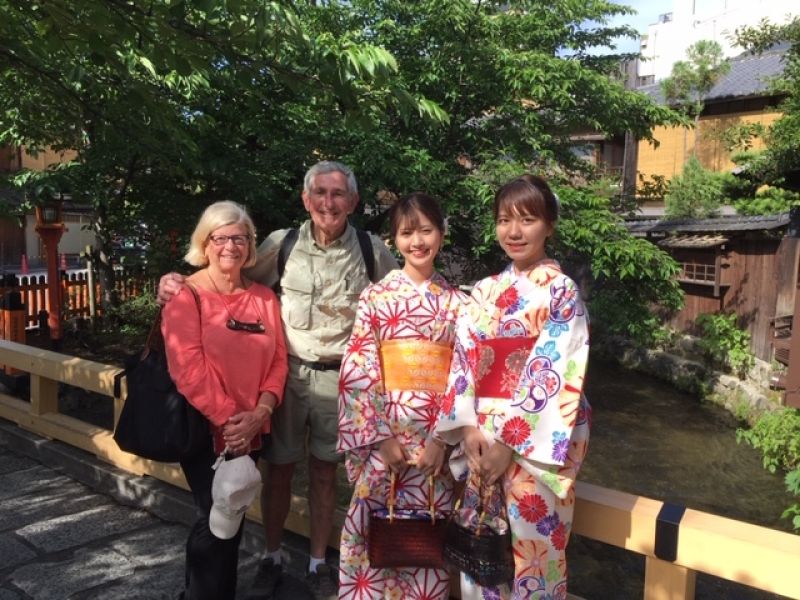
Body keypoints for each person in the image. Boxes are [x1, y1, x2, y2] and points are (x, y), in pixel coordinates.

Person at [159, 161, 397, 599]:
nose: (329, 202)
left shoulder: (371, 249)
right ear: (306, 200)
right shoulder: (280, 244)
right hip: (287, 376)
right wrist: (174, 282)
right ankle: (272, 556)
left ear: (353, 201)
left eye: (338, 193)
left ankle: (318, 560)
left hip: (341, 378)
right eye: (319, 193)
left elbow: (399, 300)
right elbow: (231, 277)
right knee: (278, 470)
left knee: (325, 473)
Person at [435, 175, 591, 599]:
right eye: (504, 220)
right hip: (482, 443)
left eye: (527, 219)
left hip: (532, 451)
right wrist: (467, 430)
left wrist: (509, 443)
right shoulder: (484, 291)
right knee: (483, 562)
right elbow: (464, 364)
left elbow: (555, 369)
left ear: (550, 225)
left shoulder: (561, 292)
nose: (514, 232)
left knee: (534, 558)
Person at [336, 193, 465, 600]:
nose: (418, 241)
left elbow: (463, 377)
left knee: (428, 545)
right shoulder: (376, 298)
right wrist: (380, 436)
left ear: (441, 234)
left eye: (426, 230)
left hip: (434, 449)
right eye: (407, 232)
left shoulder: (459, 303)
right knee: (373, 541)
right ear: (394, 239)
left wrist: (443, 441)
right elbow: (359, 370)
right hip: (384, 443)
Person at [162, 200, 288, 600]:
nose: (230, 246)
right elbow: (187, 368)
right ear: (205, 241)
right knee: (212, 516)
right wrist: (230, 421)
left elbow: (279, 361)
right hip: (206, 426)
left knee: (232, 515)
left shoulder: (265, 298)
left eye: (240, 237)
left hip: (252, 427)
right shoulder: (188, 295)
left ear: (250, 244)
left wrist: (260, 412)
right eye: (221, 237)